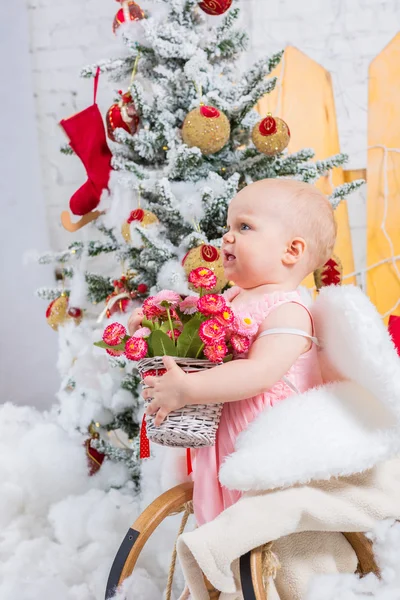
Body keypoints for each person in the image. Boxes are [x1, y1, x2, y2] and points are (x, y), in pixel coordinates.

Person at [129, 177, 336, 525]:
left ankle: (255, 572)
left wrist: (190, 388)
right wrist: (156, 322)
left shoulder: (290, 310)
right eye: (228, 226)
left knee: (254, 520)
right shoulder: (232, 298)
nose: (227, 236)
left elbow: (259, 373)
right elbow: (192, 331)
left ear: (292, 251)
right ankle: (217, 572)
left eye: (244, 226)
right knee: (215, 513)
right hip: (221, 436)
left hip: (262, 442)